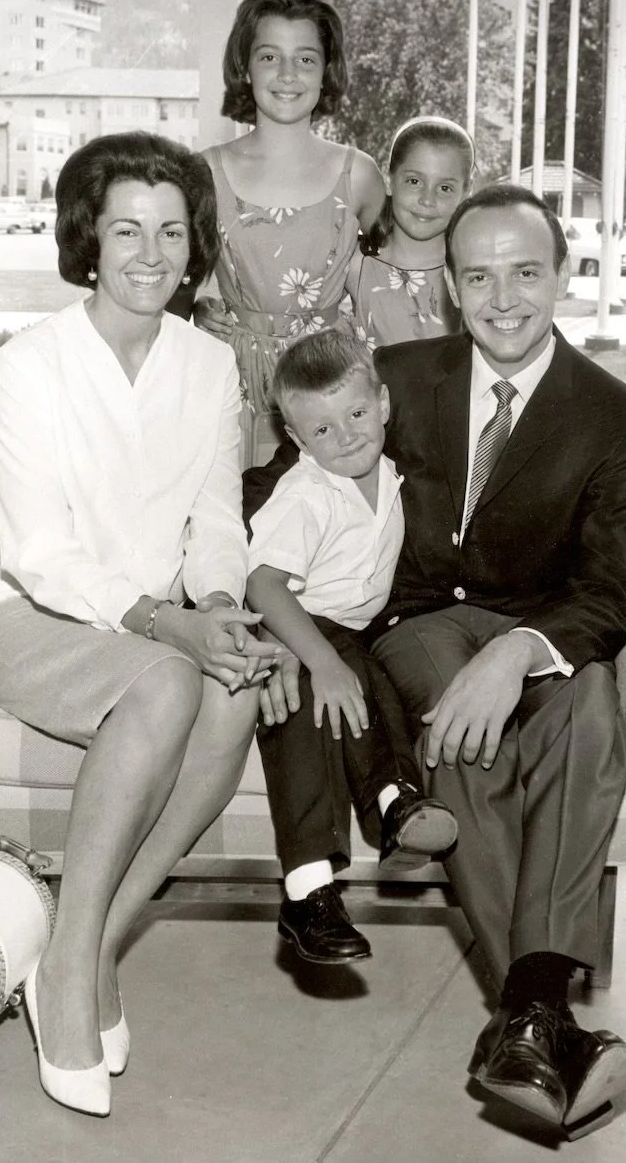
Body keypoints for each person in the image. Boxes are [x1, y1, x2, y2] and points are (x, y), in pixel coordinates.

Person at [251, 184, 626, 1137]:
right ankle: (543, 1009)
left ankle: (530, 1015)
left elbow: (607, 593)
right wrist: (241, 608)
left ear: (564, 274)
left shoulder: (614, 418)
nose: (503, 297)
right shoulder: (393, 375)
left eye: (525, 271)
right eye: (478, 276)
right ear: (451, 291)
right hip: (416, 629)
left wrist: (521, 649)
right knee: (465, 730)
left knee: (590, 695)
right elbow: (281, 489)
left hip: (532, 633)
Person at [0, 131, 281, 1118]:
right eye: (125, 229)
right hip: (11, 612)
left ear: (193, 243)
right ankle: (70, 978)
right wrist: (166, 629)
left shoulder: (209, 366)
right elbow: (37, 552)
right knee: (171, 678)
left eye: (171, 231)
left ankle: (77, 953)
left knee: (230, 695)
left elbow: (218, 522)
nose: (149, 252)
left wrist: (216, 607)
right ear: (87, 238)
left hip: (143, 626)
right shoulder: (29, 364)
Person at [246, 329, 457, 964]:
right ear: (296, 439)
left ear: (385, 405)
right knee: (310, 710)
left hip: (355, 629)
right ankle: (308, 893)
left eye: (357, 414)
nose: (346, 437)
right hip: (294, 626)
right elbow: (263, 583)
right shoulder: (307, 494)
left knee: (378, 689)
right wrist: (321, 660)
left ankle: (395, 805)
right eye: (322, 431)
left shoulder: (393, 476)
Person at [192, 0, 385, 467]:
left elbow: (393, 280)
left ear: (326, 71)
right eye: (269, 56)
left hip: (331, 383)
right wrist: (195, 303)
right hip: (233, 378)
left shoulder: (357, 173)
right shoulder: (204, 172)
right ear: (245, 67)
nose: (287, 74)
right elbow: (171, 273)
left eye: (305, 58)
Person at [344, 116, 474, 349]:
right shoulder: (356, 264)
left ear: (467, 190)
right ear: (388, 178)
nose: (427, 199)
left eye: (445, 188)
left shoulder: (471, 273)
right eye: (414, 181)